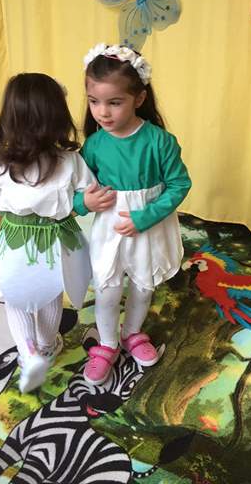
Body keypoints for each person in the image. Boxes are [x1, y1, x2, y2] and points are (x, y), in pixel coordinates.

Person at [0, 73, 108, 393]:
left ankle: (29, 353)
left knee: (16, 299)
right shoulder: (70, 160)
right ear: (58, 116)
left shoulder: (3, 163)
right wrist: (76, 203)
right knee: (50, 293)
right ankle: (48, 345)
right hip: (55, 242)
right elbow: (89, 194)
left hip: (16, 241)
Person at [73, 43, 192, 385]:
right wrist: (84, 204)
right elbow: (78, 191)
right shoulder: (94, 145)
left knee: (142, 285)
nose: (102, 112)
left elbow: (179, 184)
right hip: (108, 230)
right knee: (108, 289)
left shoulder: (160, 141)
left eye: (114, 102)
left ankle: (132, 333)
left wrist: (144, 217)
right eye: (94, 101)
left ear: (139, 98)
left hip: (148, 228)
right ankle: (108, 343)